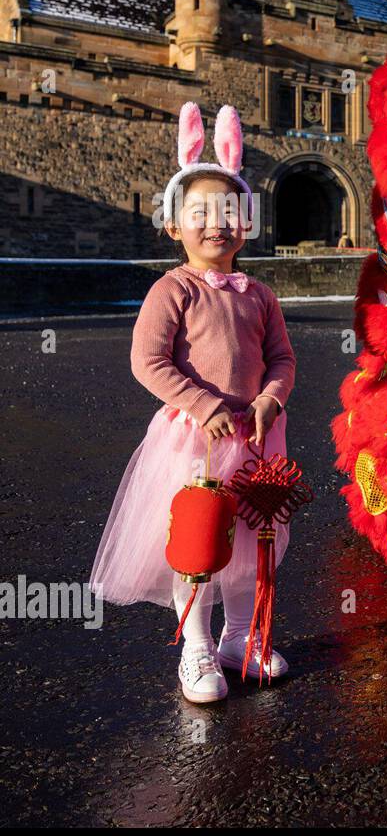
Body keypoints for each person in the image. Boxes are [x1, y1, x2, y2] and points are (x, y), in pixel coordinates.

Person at [90, 103, 296, 703]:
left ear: (246, 223)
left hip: (257, 439)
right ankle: (197, 646)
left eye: (230, 213)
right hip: (193, 441)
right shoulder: (171, 289)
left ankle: (240, 637)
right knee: (198, 544)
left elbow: (282, 359)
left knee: (252, 543)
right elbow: (148, 362)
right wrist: (205, 404)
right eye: (200, 213)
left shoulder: (260, 295)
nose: (217, 224)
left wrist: (270, 400)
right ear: (174, 226)